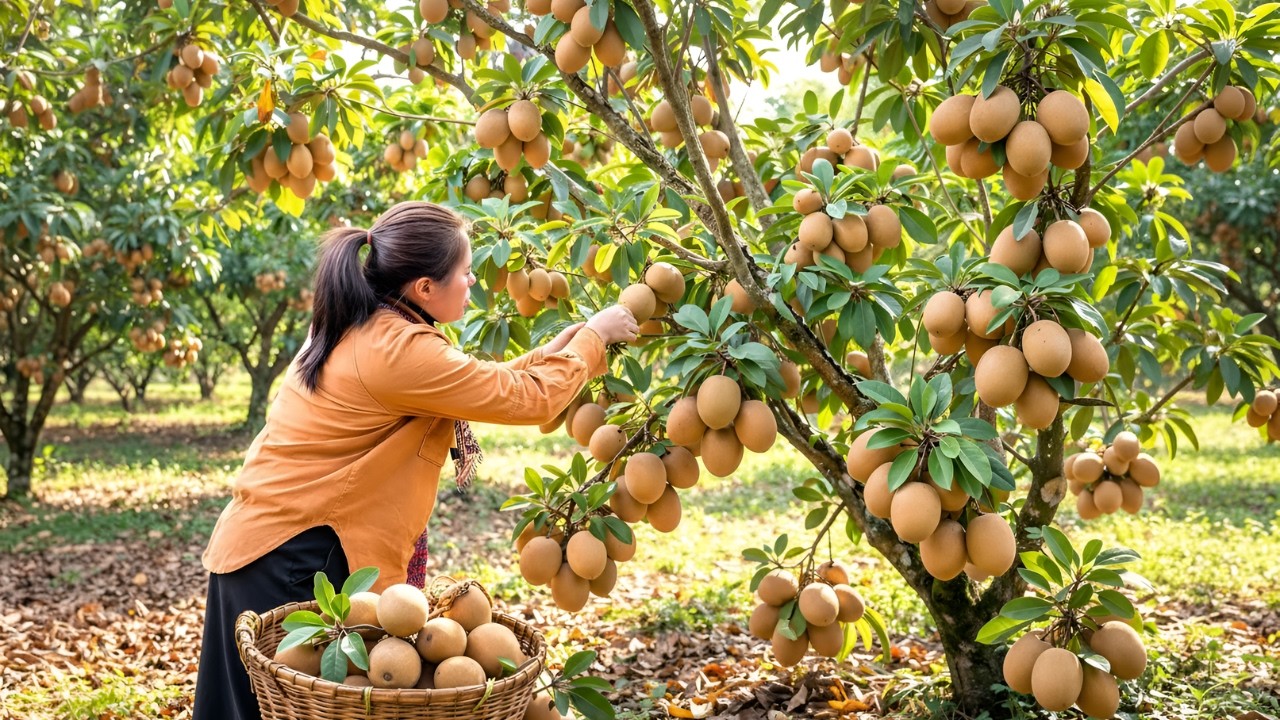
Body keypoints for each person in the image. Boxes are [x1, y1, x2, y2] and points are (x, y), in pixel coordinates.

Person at [193, 201, 638, 720]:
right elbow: (524, 399)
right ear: (425, 288)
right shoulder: (398, 349)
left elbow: (471, 383)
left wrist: (559, 351)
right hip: (296, 556)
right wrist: (595, 336)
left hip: (269, 543)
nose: (473, 283)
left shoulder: (365, 324)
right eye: (466, 274)